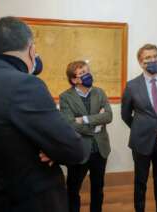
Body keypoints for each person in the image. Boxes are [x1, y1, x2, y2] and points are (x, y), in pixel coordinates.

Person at [0, 17, 90, 212]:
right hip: (32, 201)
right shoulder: (25, 85)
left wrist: (54, 148)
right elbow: (74, 149)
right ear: (31, 48)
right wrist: (56, 149)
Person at [121, 44, 157, 212]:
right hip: (141, 141)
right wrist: (140, 128)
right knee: (140, 180)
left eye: (155, 56)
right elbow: (125, 114)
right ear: (140, 62)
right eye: (148, 58)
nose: (152, 60)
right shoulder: (132, 86)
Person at [59, 60, 112, 212]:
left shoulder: (99, 92)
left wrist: (85, 119)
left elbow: (108, 116)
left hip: (100, 150)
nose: (87, 75)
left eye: (88, 71)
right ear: (74, 79)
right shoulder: (65, 97)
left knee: (98, 188)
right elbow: (69, 124)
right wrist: (95, 127)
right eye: (82, 73)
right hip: (79, 150)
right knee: (73, 190)